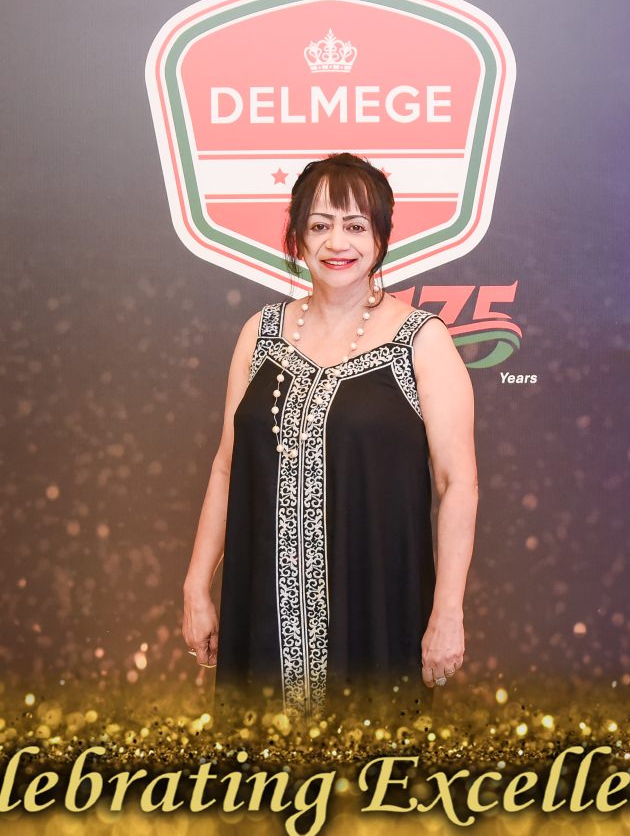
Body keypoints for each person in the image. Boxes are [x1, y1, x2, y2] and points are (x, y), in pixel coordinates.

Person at [181, 153, 478, 724]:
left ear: (381, 238)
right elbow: (226, 468)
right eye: (320, 225)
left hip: (377, 615)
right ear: (297, 236)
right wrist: (197, 586)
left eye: (355, 226)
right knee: (258, 772)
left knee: (369, 770)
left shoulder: (421, 340)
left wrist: (447, 612)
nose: (337, 242)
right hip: (261, 615)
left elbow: (457, 483)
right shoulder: (260, 335)